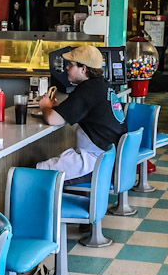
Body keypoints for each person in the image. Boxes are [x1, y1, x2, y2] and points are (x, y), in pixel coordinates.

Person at [36, 45, 126, 181]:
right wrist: (57, 107)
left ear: (83, 69)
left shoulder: (86, 91)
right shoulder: (101, 85)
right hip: (109, 158)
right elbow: (81, 109)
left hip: (96, 162)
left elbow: (53, 119)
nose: (66, 68)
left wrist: (45, 106)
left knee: (38, 173)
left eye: (70, 65)